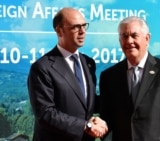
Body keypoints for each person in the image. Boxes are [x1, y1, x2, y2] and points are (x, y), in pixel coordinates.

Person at [99, 16, 160, 141]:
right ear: (119, 40)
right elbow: (107, 121)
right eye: (124, 36)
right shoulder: (109, 77)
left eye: (134, 35)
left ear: (147, 38)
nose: (129, 41)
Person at [27, 7, 108, 141]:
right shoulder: (42, 67)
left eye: (84, 26)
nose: (82, 31)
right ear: (59, 31)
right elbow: (45, 114)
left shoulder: (88, 63)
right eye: (76, 27)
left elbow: (87, 103)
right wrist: (86, 126)